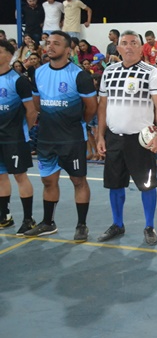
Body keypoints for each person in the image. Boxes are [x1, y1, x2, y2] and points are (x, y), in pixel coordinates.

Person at [24, 31, 98, 241]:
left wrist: (76, 122)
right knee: (48, 181)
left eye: (56, 43)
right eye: (48, 43)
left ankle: (81, 225)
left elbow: (91, 108)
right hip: (47, 138)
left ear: (68, 50)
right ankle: (48, 223)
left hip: (72, 139)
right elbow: (37, 104)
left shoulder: (79, 75)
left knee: (78, 181)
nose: (50, 46)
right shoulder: (38, 73)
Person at [95, 30, 157, 245]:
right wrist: (100, 136)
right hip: (114, 138)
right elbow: (102, 106)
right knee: (115, 184)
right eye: (124, 43)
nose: (128, 46)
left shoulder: (151, 72)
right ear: (118, 48)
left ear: (141, 47)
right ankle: (117, 224)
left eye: (134, 43)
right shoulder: (109, 72)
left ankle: (149, 226)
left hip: (141, 141)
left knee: (147, 185)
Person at [0, 40, 38, 235]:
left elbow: (31, 111)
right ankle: (4, 216)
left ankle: (28, 219)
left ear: (10, 54)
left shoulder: (18, 80)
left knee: (20, 176)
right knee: (0, 177)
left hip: (14, 138)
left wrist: (23, 130)